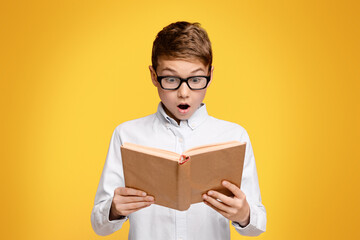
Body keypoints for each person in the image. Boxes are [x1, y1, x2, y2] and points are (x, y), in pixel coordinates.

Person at [91, 21, 266, 239]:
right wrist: (114, 210)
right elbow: (100, 226)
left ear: (210, 76)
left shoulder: (234, 137)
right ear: (154, 76)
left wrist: (244, 214)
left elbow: (257, 226)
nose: (184, 93)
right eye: (171, 79)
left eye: (195, 79)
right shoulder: (127, 135)